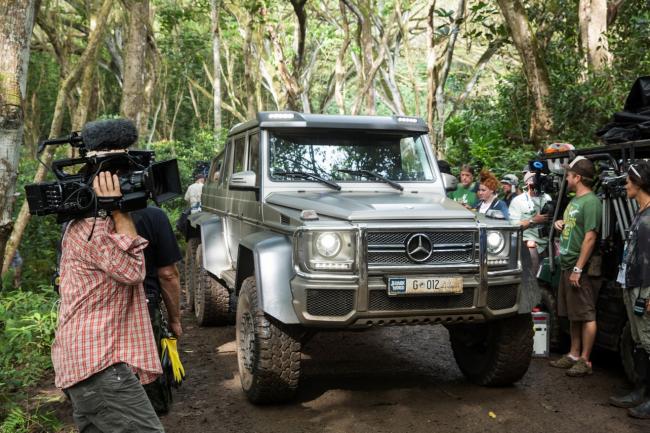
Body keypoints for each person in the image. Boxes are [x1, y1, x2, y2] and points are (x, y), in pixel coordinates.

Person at [52, 171, 164, 432]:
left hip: (82, 364)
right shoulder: (95, 228)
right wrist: (118, 208)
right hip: (98, 366)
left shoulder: (82, 225)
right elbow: (134, 271)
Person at [549, 156, 602, 377]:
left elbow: (590, 238)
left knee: (586, 313)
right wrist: (559, 224)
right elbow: (574, 228)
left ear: (577, 177)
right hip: (567, 264)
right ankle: (573, 353)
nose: (566, 178)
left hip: (581, 268)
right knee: (573, 314)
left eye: (569, 174)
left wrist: (579, 269)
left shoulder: (591, 202)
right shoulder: (574, 201)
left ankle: (585, 359)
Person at [131, 206, 183, 415]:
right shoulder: (152, 216)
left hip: (94, 316)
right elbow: (168, 274)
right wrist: (175, 320)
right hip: (143, 308)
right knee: (150, 385)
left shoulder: (79, 219)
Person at [609, 161, 650, 419]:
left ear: (639, 184)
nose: (625, 186)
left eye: (628, 182)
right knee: (639, 341)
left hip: (644, 288)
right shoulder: (640, 211)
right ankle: (641, 390)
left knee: (649, 341)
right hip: (631, 282)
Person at [508, 171, 552, 273]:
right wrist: (533, 220)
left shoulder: (547, 198)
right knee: (532, 274)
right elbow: (514, 228)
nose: (539, 182)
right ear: (528, 183)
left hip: (547, 243)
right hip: (528, 245)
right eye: (537, 179)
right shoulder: (518, 201)